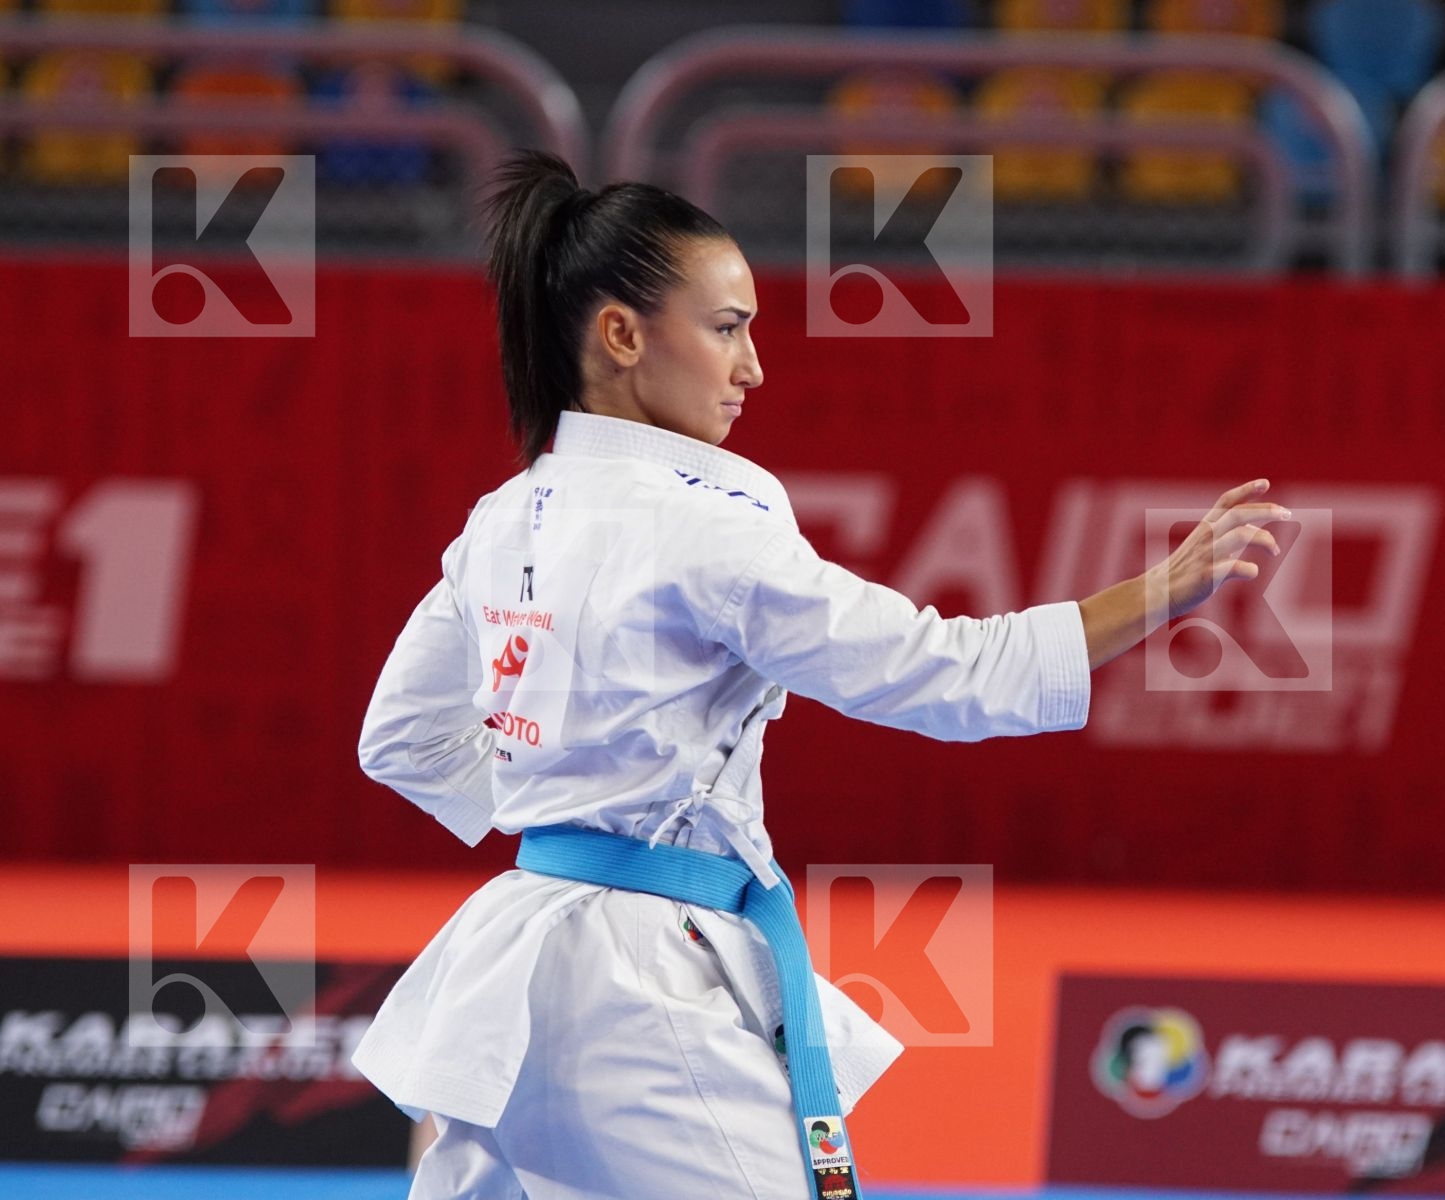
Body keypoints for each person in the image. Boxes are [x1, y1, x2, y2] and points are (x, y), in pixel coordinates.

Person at [351, 148, 1289, 1200]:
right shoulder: (701, 530)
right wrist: (1157, 593)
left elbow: (399, 740)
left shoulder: (501, 518)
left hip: (514, 962)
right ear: (621, 336)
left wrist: (567, 816)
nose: (753, 368)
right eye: (726, 328)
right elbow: (945, 675)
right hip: (636, 989)